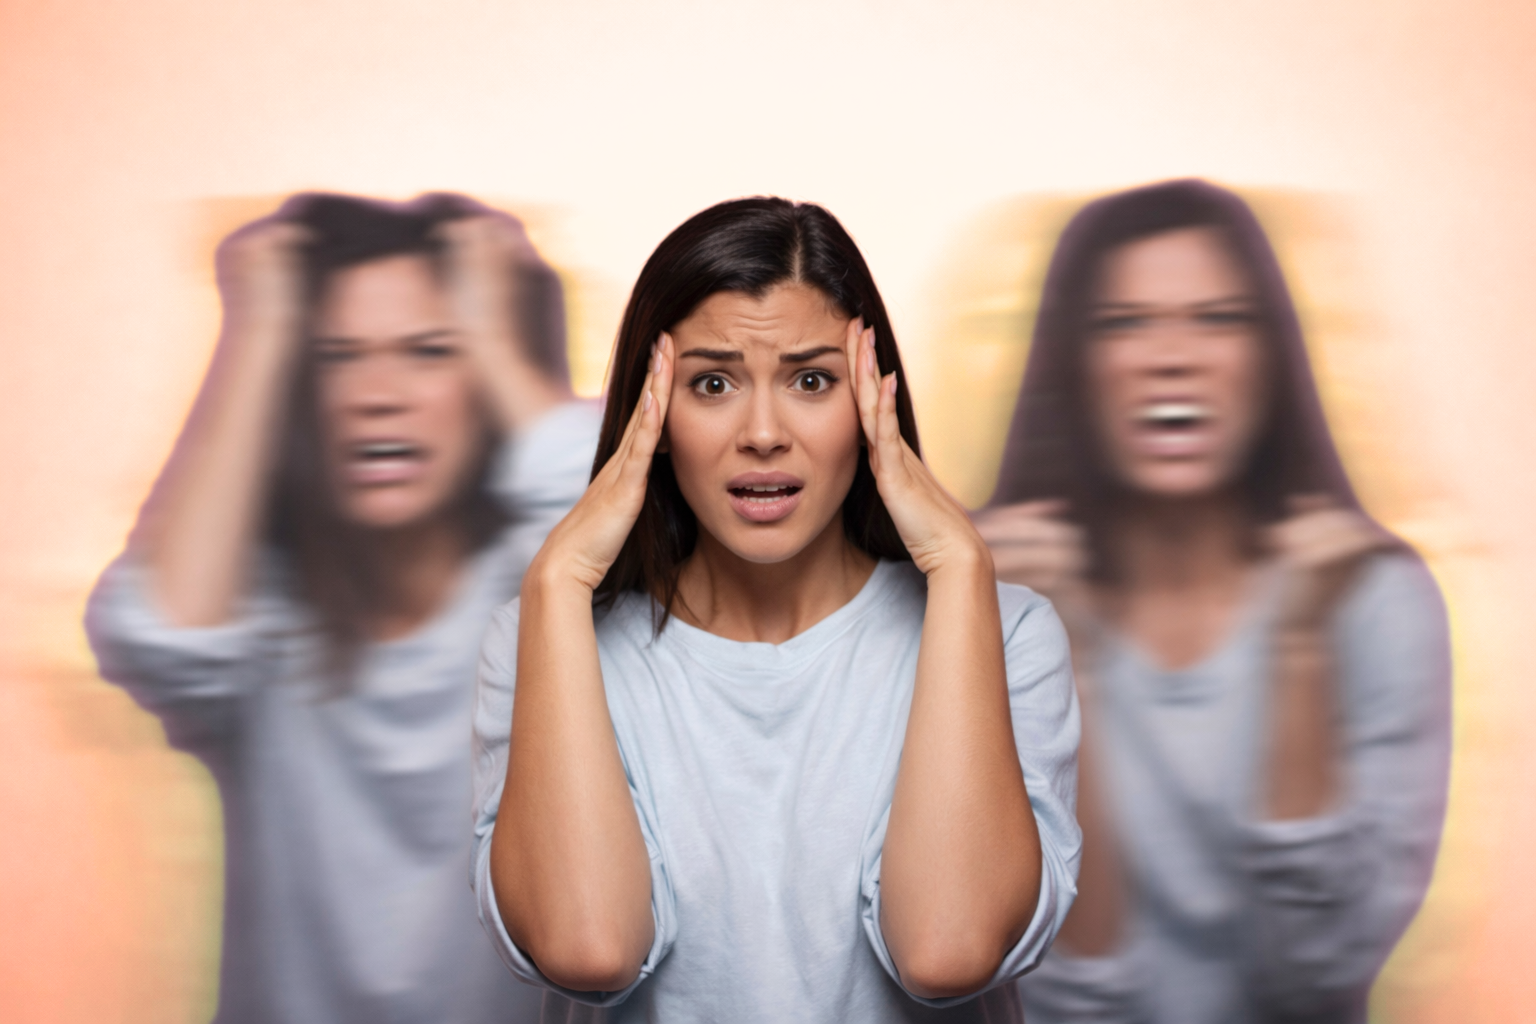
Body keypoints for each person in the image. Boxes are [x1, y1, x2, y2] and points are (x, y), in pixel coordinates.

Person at [469, 197, 1081, 1022]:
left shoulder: (1006, 632)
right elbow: (588, 948)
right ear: (650, 412)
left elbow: (946, 949)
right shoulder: (543, 636)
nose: (763, 432)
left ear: (874, 400)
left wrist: (959, 567)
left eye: (811, 380)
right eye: (713, 383)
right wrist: (558, 581)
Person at [85, 192, 602, 1023]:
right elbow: (161, 637)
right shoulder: (262, 618)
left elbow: (634, 542)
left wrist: (494, 335)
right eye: (336, 356)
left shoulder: (540, 600)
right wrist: (256, 332)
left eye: (431, 350)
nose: (378, 395)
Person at [974, 179, 1451, 1023]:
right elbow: (1066, 999)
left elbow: (1315, 980)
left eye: (1219, 317)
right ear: (1071, 365)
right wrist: (1060, 657)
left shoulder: (1378, 602)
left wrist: (1299, 649)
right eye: (1123, 324)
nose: (1173, 356)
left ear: (1273, 356)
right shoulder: (984, 605)